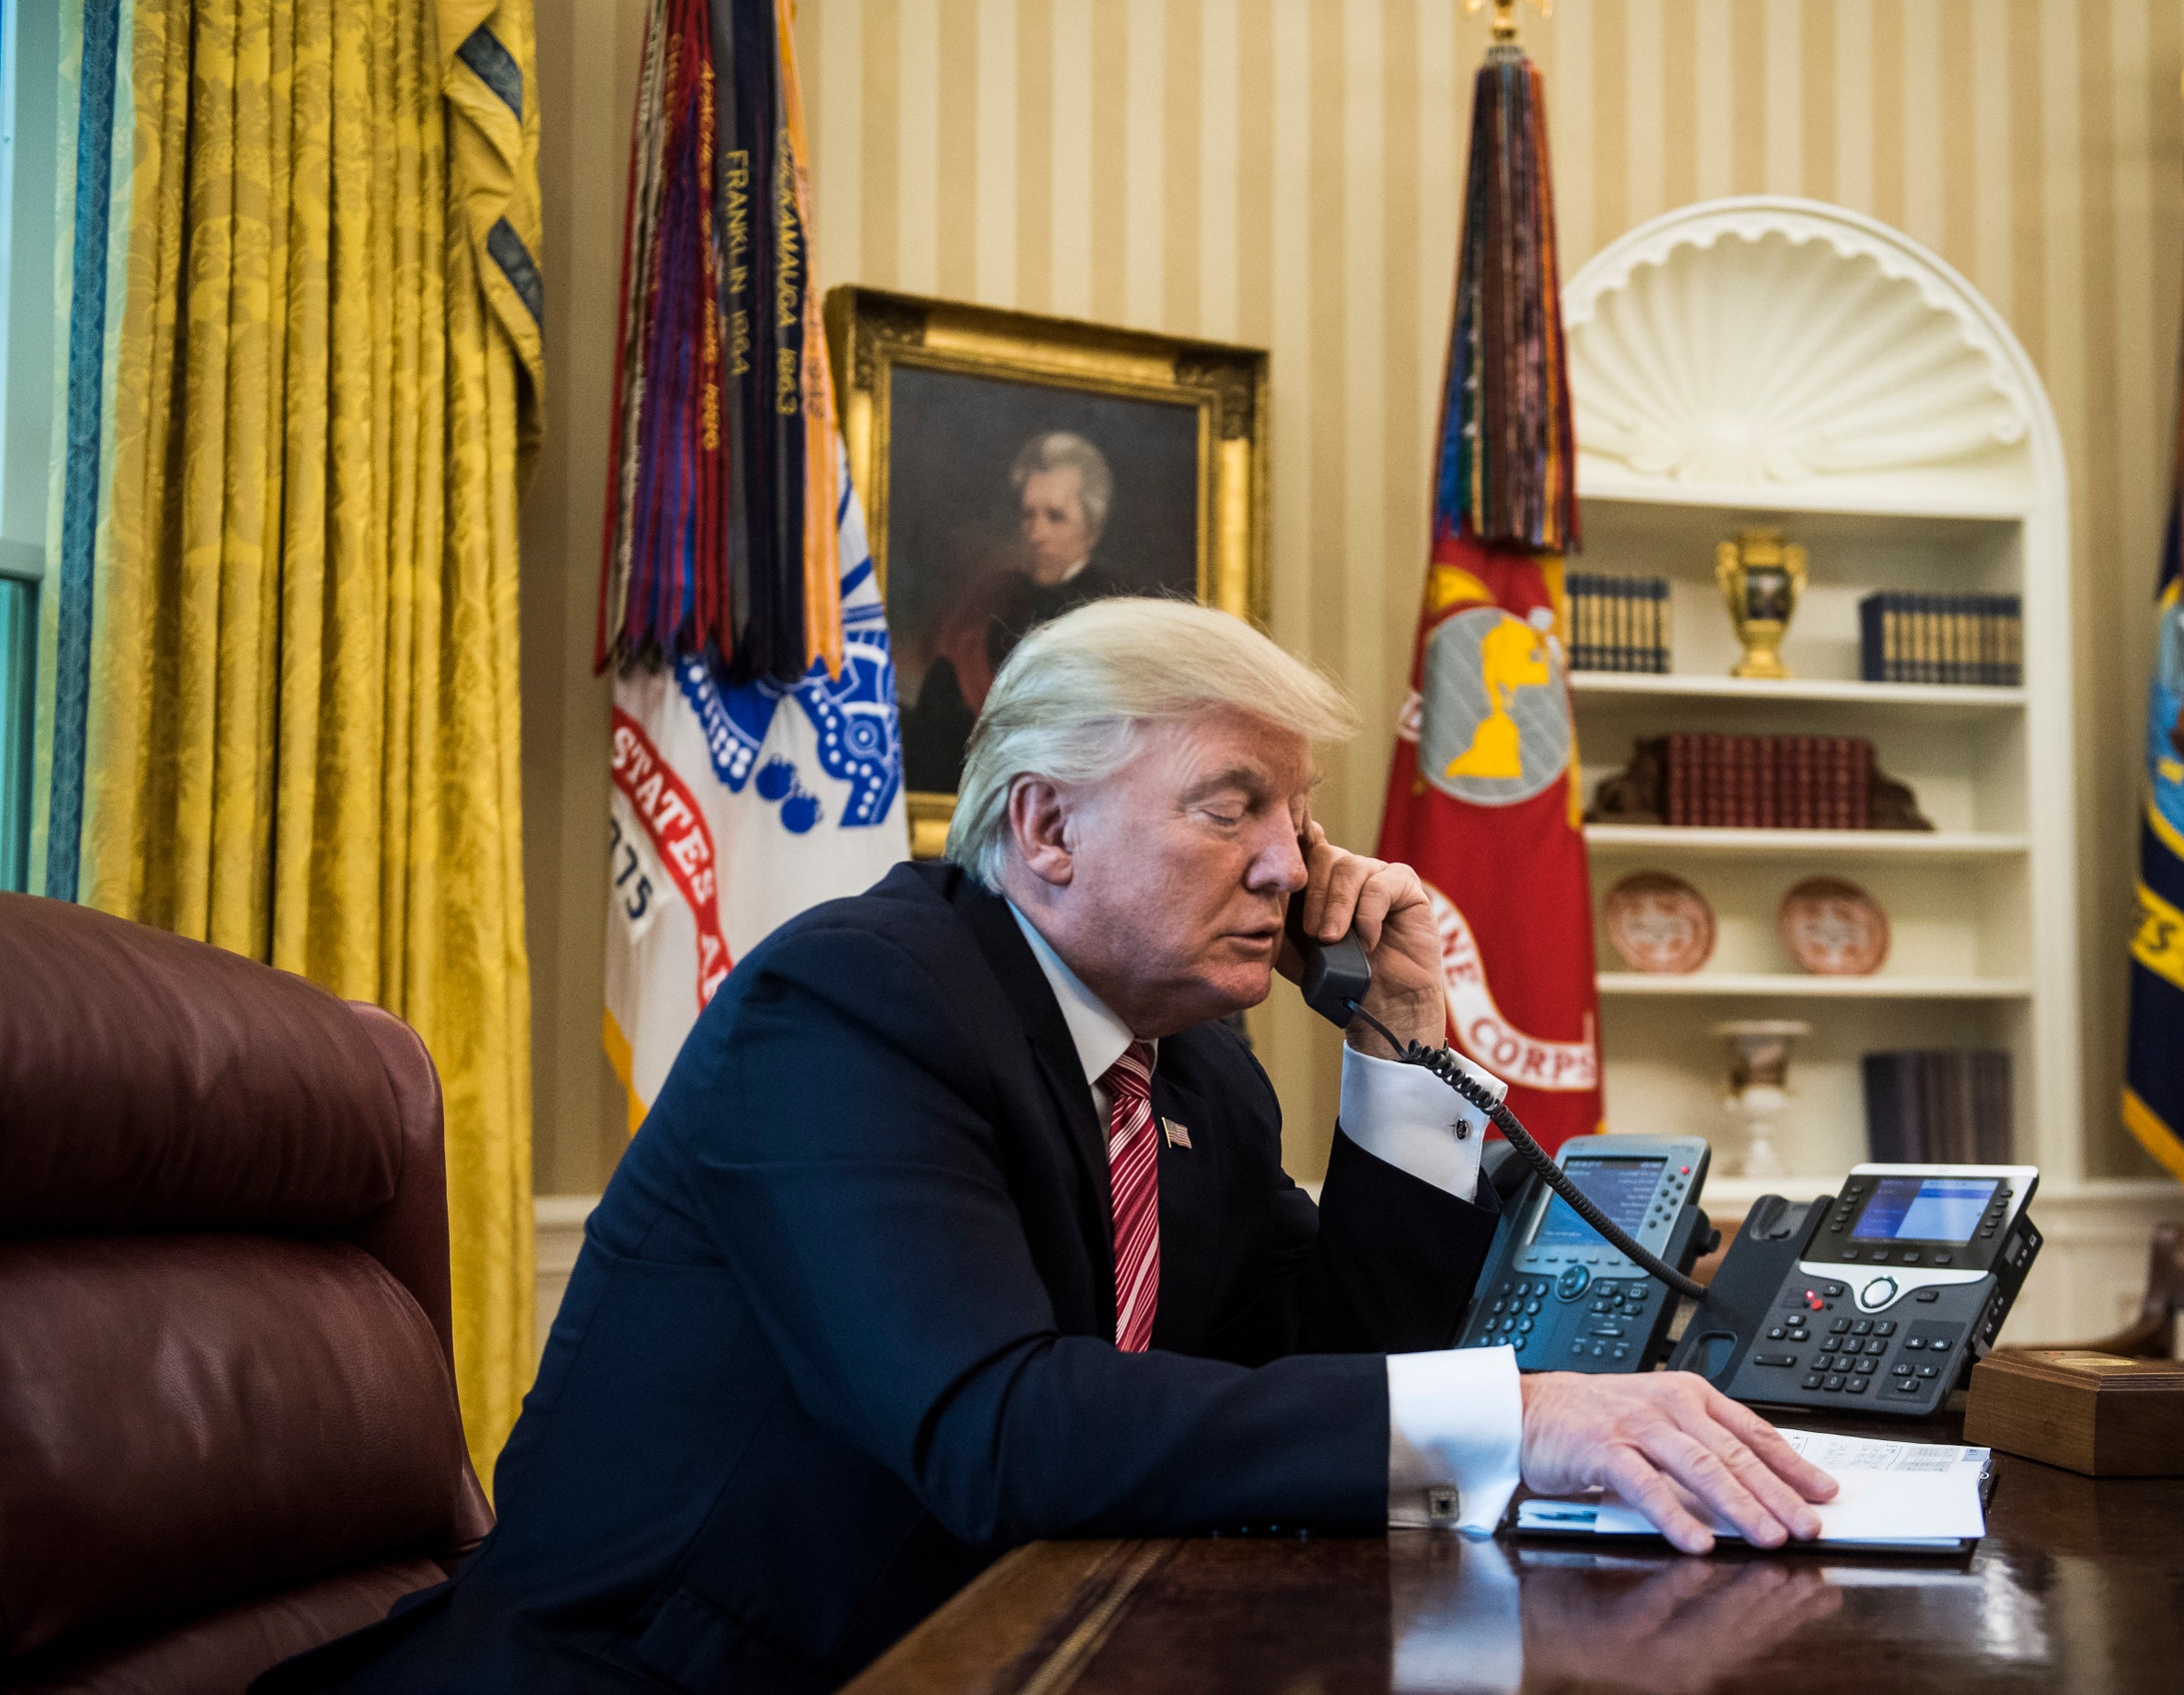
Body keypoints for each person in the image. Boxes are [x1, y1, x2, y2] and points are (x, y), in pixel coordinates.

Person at [262, 599, 1834, 1695]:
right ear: (1045, 827)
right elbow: (997, 1425)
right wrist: (1522, 1408)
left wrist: (1400, 1054)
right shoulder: (853, 1002)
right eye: (1238, 807)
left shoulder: (1205, 1079)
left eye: (1300, 814)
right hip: (660, 1674)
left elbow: (1315, 1374)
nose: (1298, 865)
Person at [904, 431, 1136, 791]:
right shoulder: (995, 597)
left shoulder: (1120, 607)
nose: (1036, 533)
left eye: (1055, 517)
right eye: (1029, 516)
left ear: (1092, 530)